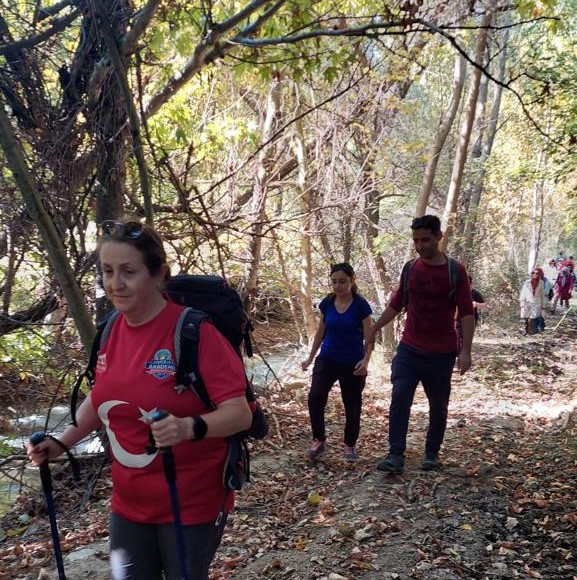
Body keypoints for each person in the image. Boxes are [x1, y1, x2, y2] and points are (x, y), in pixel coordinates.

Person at [27, 219, 252, 580]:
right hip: (129, 504)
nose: (115, 283)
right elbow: (101, 401)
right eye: (107, 271)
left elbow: (239, 414)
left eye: (129, 271)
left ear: (158, 274)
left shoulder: (194, 333)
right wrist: (60, 442)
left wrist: (187, 427)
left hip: (192, 502)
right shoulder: (110, 331)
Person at [366, 215, 474, 474]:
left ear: (438, 236)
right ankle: (395, 454)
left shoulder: (455, 271)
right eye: (416, 240)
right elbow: (396, 303)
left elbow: (467, 312)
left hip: (441, 352)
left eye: (425, 239)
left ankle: (431, 454)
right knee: (400, 396)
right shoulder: (410, 269)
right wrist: (375, 328)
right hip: (410, 348)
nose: (420, 245)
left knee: (438, 404)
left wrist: (466, 351)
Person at [301, 262, 373, 462]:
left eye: (342, 281)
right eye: (334, 282)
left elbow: (369, 337)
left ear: (352, 280)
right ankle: (319, 439)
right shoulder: (327, 302)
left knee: (352, 404)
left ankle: (349, 445)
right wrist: (310, 357)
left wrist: (366, 361)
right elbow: (321, 332)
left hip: (352, 363)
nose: (338, 286)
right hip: (327, 359)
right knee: (315, 397)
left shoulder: (361, 305)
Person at [520, 268, 546, 334]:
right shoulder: (527, 282)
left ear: (539, 274)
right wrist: (522, 302)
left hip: (537, 302)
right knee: (525, 317)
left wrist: (543, 306)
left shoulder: (541, 283)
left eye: (537, 273)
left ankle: (531, 331)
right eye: (533, 273)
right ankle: (526, 330)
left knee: (533, 317)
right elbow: (523, 293)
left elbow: (542, 295)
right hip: (527, 301)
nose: (535, 274)